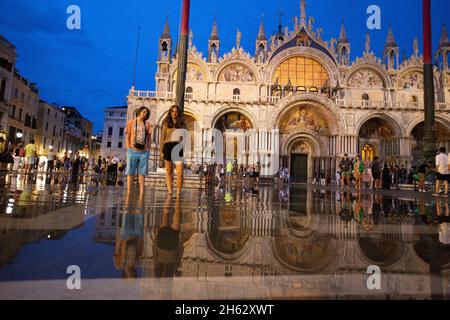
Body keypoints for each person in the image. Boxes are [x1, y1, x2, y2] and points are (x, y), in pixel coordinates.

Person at [160, 105, 186, 195]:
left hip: (178, 146)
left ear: (178, 113)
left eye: (176, 111)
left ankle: (178, 192)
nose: (174, 113)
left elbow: (185, 136)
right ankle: (170, 191)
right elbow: (162, 138)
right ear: (170, 113)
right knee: (169, 170)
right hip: (167, 146)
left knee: (180, 172)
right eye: (172, 111)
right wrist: (161, 151)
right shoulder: (166, 123)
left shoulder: (182, 123)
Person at [125, 106, 152, 195]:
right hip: (132, 150)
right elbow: (127, 135)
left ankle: (141, 192)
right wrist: (128, 147)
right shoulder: (131, 122)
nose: (145, 114)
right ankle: (128, 191)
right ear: (139, 112)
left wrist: (148, 147)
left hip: (143, 152)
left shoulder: (147, 124)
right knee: (130, 172)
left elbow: (148, 137)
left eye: (147, 113)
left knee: (142, 173)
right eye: (144, 112)